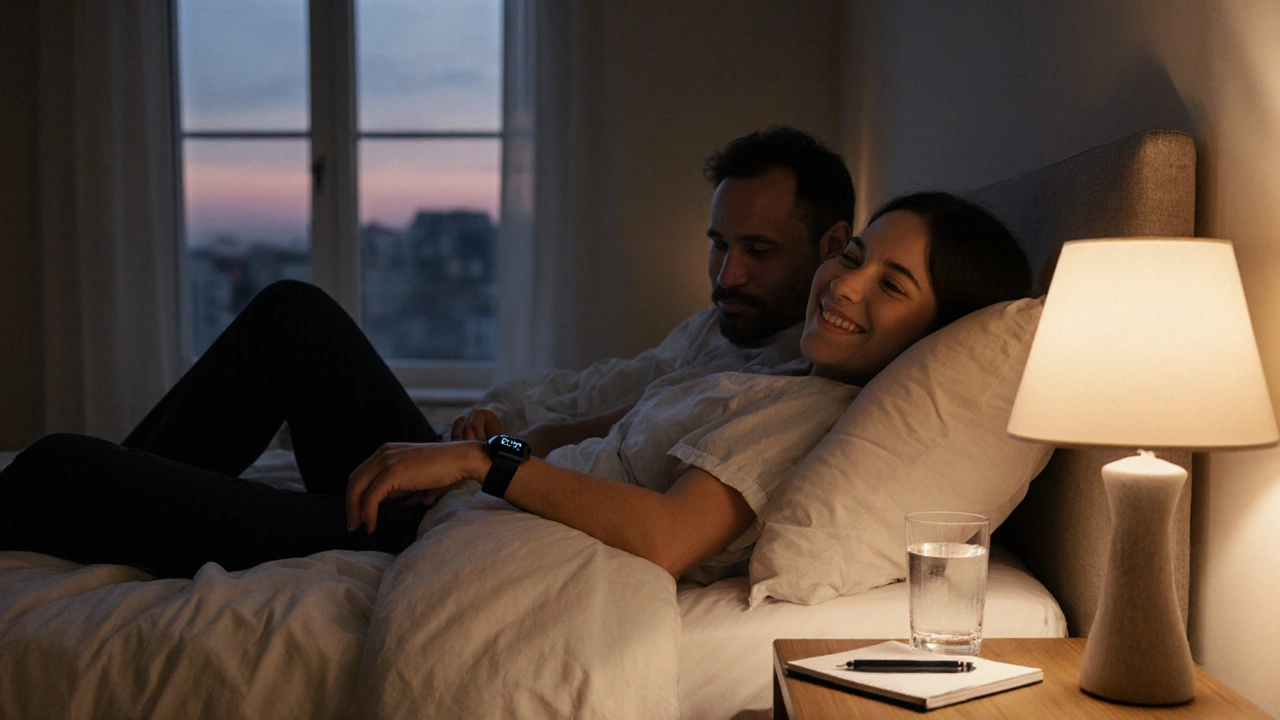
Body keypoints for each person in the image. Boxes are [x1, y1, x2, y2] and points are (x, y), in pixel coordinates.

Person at [0, 192, 1031, 582]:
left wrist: (475, 467)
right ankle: (148, 496)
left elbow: (670, 536)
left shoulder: (817, 417)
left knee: (61, 471)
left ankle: (116, 500)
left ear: (934, 334)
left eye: (889, 285)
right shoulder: (771, 366)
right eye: (853, 256)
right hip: (466, 500)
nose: (843, 284)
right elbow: (593, 430)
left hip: (447, 540)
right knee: (291, 316)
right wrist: (489, 444)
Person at [451, 125, 854, 452]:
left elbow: (594, 431)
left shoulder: (795, 378)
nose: (727, 277)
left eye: (758, 250)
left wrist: (499, 448)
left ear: (832, 246)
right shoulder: (714, 325)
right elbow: (601, 387)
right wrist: (500, 410)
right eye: (719, 245)